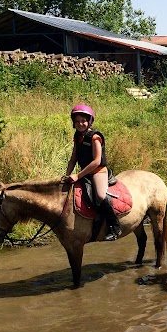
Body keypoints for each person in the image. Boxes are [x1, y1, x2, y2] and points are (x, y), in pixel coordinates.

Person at [62, 103, 121, 241]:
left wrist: (77, 175)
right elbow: (74, 158)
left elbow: (96, 161)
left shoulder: (95, 137)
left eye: (83, 120)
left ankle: (115, 226)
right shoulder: (77, 136)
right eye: (76, 121)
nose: (80, 124)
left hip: (98, 171)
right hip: (85, 172)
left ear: (89, 121)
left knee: (100, 195)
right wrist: (67, 174)